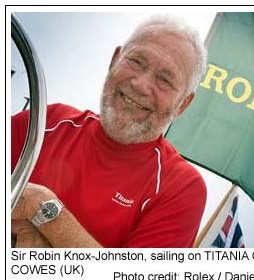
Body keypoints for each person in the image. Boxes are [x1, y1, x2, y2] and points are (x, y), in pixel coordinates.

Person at [11, 15, 208, 248]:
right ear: (115, 60)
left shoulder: (181, 187)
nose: (141, 85)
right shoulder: (47, 121)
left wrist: (43, 208)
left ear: (183, 105)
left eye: (165, 80)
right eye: (137, 61)